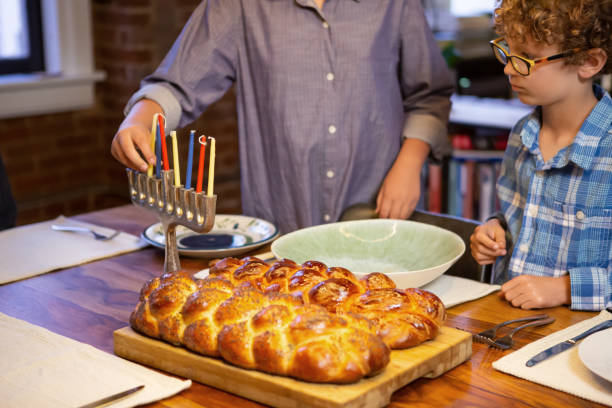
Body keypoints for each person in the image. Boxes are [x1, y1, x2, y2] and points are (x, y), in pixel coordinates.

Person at [110, 0, 454, 234]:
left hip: (380, 217)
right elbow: (180, 82)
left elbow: (430, 95)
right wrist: (139, 119)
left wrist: (410, 164)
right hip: (282, 225)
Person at [470, 0, 612, 311]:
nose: (509, 68)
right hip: (507, 322)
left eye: (529, 58)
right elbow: (519, 219)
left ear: (589, 62)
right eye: (509, 51)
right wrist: (494, 232)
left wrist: (564, 288)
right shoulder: (522, 133)